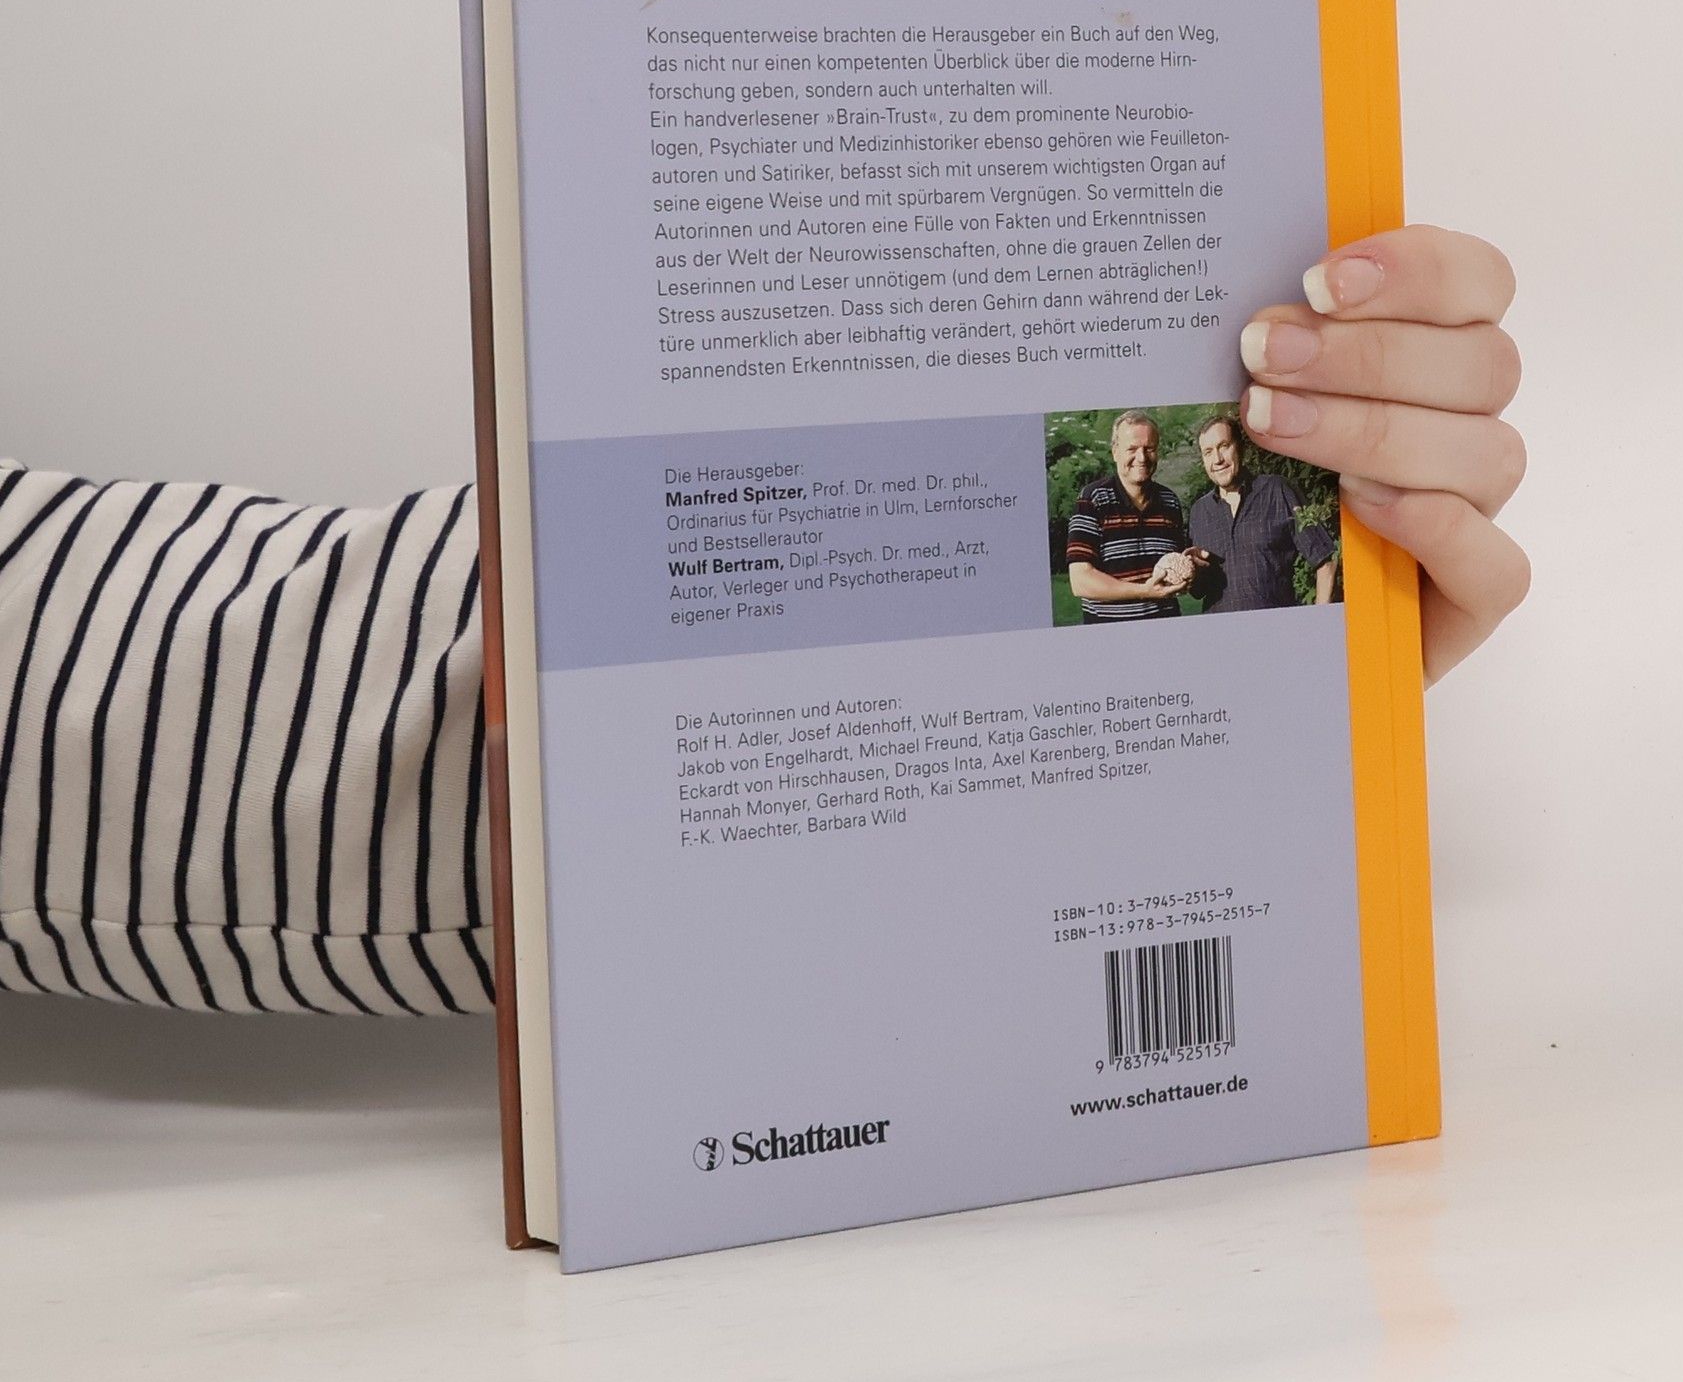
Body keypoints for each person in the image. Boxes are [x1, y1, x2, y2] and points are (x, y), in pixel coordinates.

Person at [0, 225, 1526, 1014]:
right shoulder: (1111, 508)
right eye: (1145, 446)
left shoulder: (1218, 503)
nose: (1160, 459)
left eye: (1162, 448)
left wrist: (1238, 715)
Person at [1187, 412, 1338, 612]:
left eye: (1224, 446)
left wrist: (1318, 620)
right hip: (1221, 629)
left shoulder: (1277, 491)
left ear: (1240, 447)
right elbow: (1198, 591)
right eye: (1208, 452)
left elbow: (1325, 560)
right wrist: (1192, 570)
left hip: (1275, 626)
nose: (1217, 459)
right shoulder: (1199, 512)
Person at [1063, 412, 1193, 623]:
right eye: (1132, 449)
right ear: (1115, 452)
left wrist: (1190, 563)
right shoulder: (1093, 499)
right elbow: (1080, 580)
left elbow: (1173, 565)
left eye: (1149, 448)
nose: (1142, 458)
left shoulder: (1169, 501)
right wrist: (1144, 592)